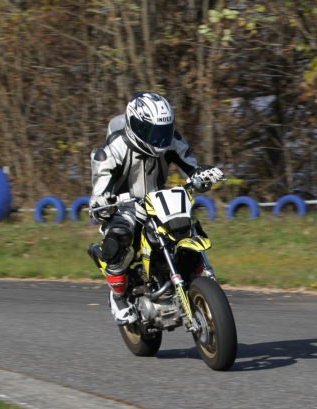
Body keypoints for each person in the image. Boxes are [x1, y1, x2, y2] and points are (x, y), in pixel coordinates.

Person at [88, 92, 223, 325]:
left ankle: (195, 282)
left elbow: (190, 168)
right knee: (118, 240)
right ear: (136, 127)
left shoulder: (171, 140)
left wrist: (202, 175)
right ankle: (118, 297)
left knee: (188, 228)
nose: (160, 139)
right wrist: (101, 204)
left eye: (164, 131)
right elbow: (99, 191)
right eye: (153, 133)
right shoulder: (109, 152)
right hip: (123, 207)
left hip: (158, 201)